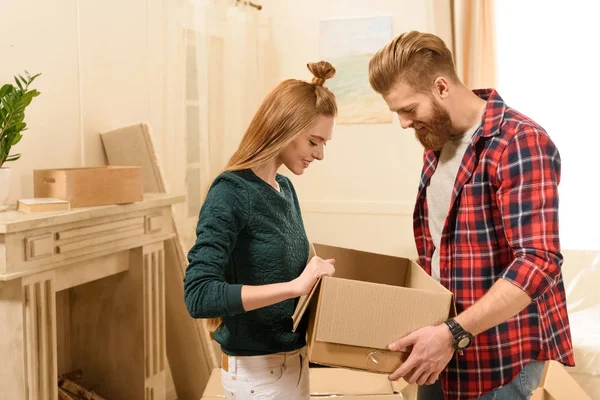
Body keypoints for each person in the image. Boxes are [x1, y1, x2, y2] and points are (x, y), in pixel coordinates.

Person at [368, 31, 574, 400]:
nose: (402, 122)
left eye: (408, 109)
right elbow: (441, 253)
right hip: (441, 349)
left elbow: (539, 261)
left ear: (442, 87)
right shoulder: (436, 142)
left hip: (500, 357)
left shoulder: (519, 141)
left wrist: (454, 332)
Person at [184, 61, 338, 399]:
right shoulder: (229, 193)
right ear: (284, 128)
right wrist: (295, 286)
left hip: (294, 364)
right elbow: (199, 296)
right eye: (314, 141)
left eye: (325, 143)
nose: (320, 154)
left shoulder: (284, 187)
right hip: (257, 376)